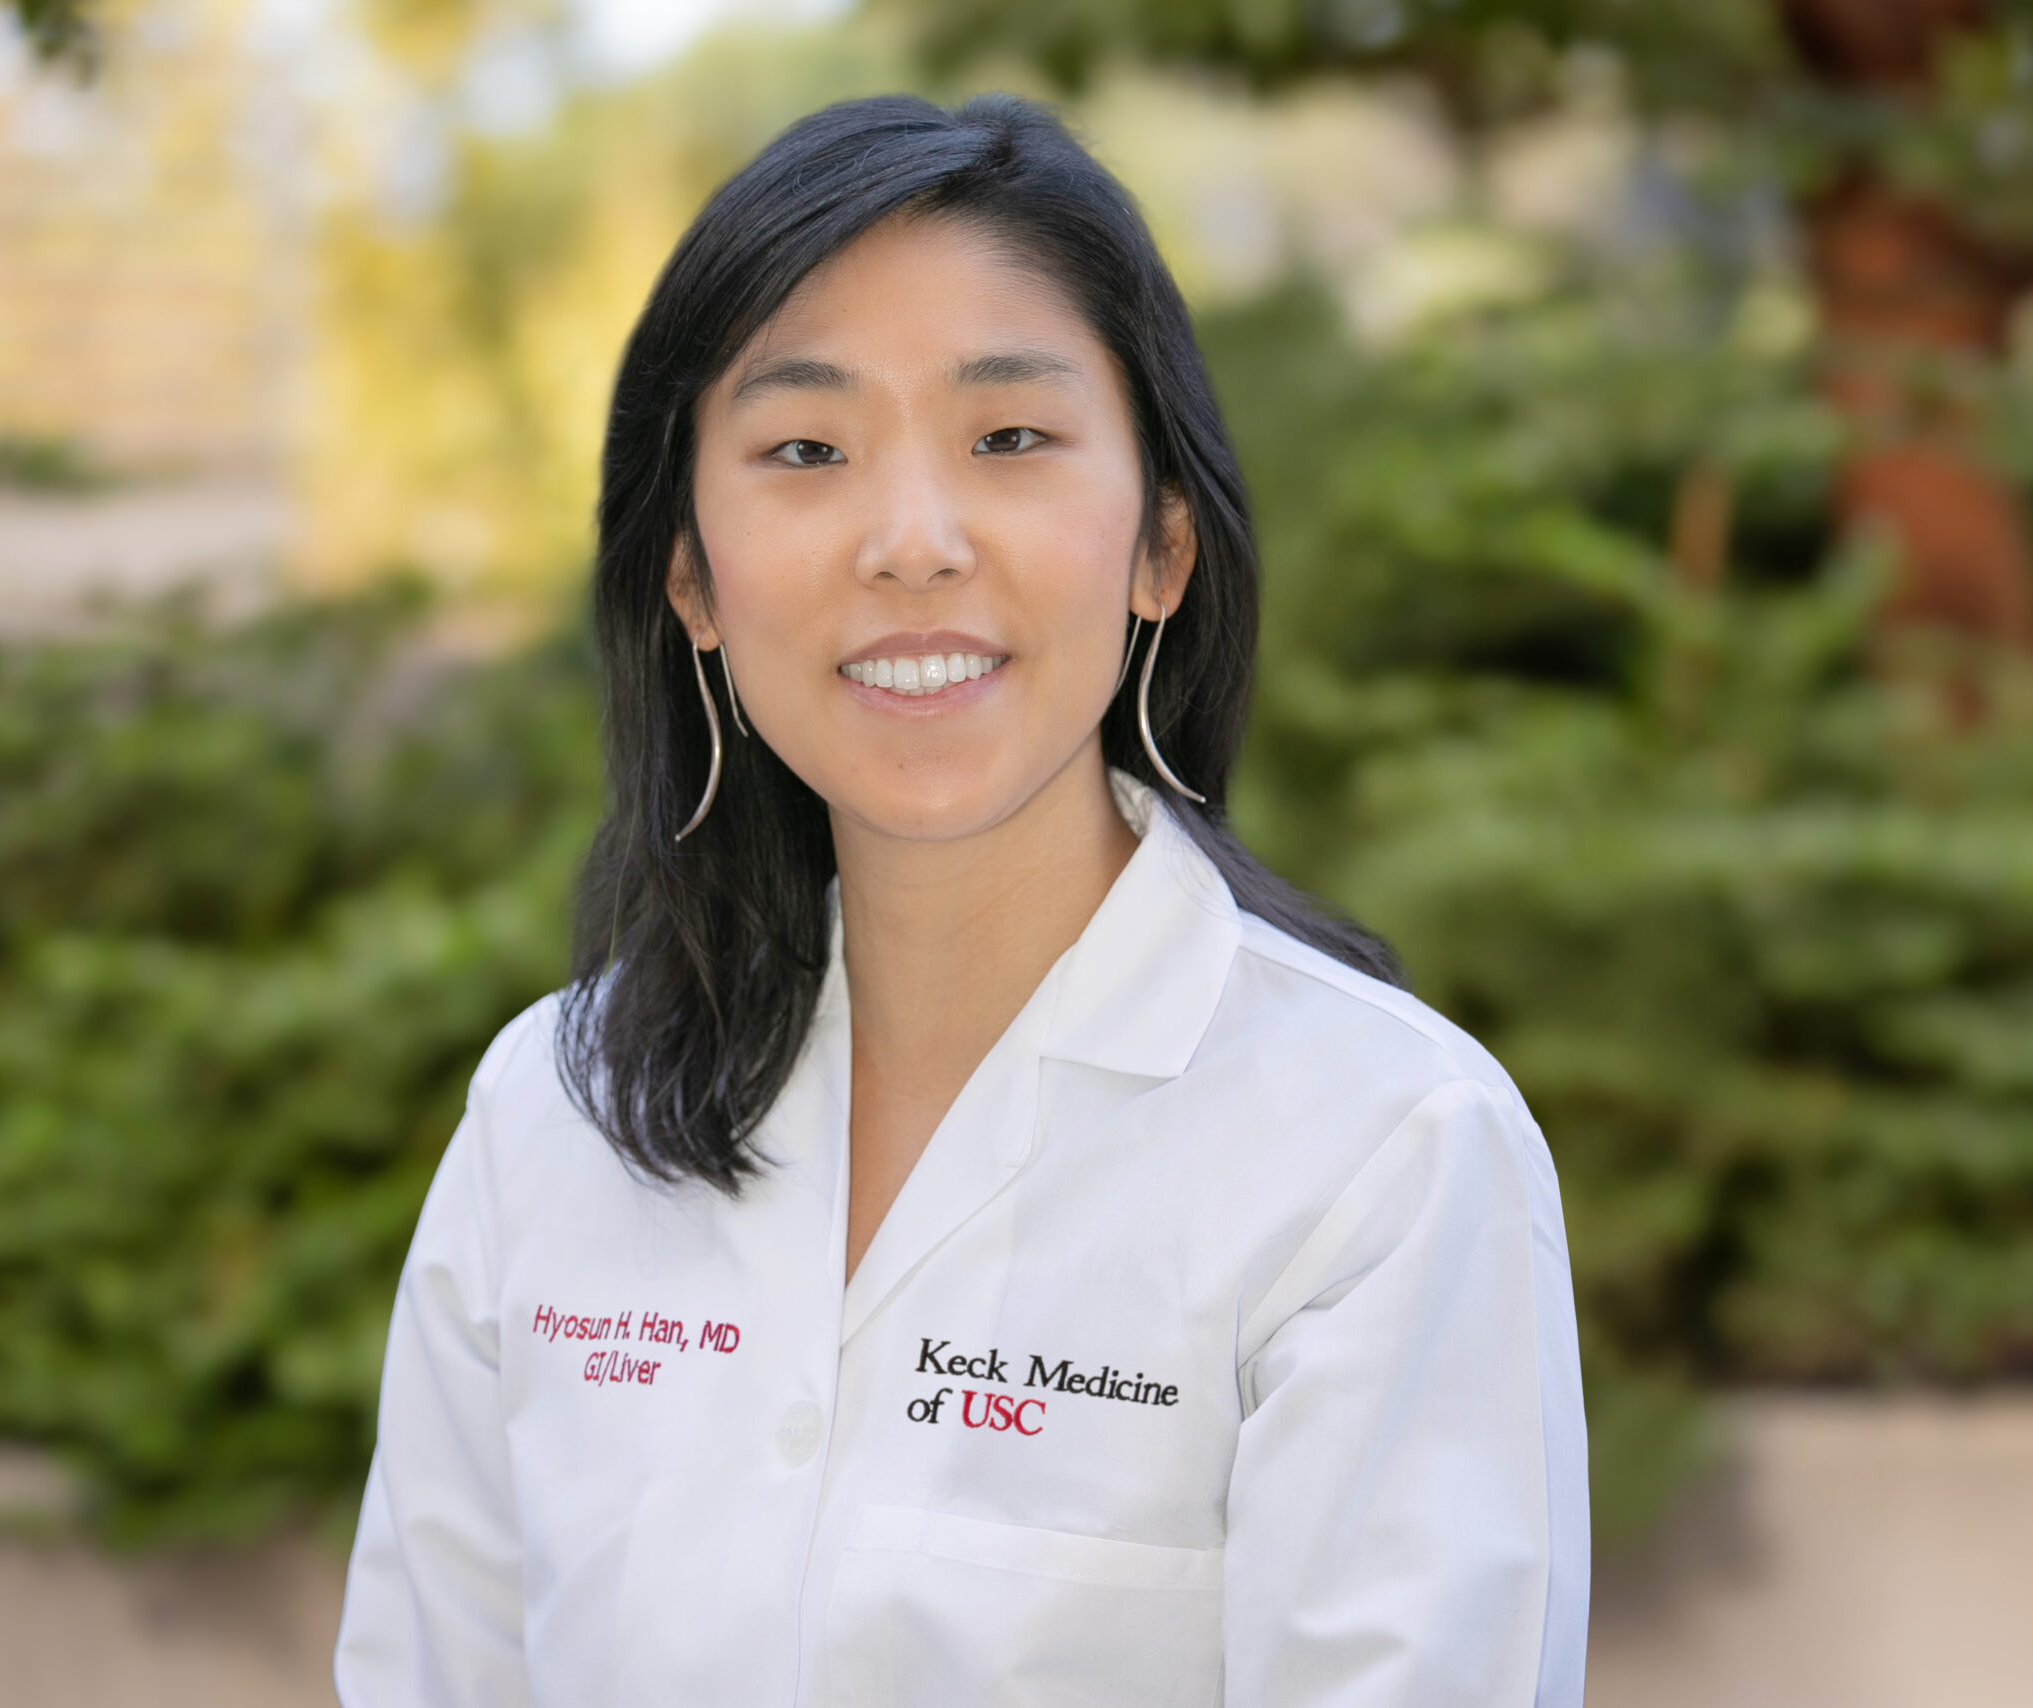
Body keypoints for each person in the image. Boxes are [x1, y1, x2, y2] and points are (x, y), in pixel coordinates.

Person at [333, 91, 1588, 1708]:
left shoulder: (1381, 1155)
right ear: (691, 578)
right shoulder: (550, 1119)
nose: (912, 544)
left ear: (1163, 546)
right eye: (806, 450)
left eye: (1008, 439)